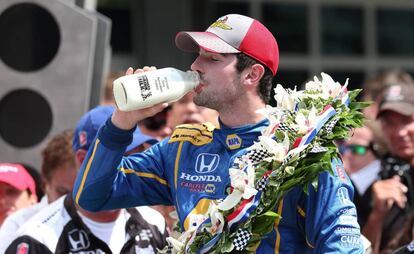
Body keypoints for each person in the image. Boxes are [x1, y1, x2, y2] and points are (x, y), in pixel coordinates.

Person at [73, 14, 364, 252]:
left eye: (212, 59)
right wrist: (122, 121)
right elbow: (91, 197)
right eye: (199, 55)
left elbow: (342, 246)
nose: (195, 66)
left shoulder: (301, 150)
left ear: (252, 75)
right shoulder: (182, 149)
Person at [6, 106, 168, 254]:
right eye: (123, 157)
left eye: (138, 155)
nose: (134, 167)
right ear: (84, 160)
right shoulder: (38, 237)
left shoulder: (154, 222)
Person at [0, 129, 77, 253]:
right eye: (63, 192)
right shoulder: (20, 225)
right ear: (45, 184)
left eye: (11, 191)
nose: (73, 201)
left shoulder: (113, 218)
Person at [363, 83, 414, 253]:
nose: (399, 132)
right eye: (390, 123)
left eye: (407, 121)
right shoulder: (373, 181)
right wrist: (376, 216)